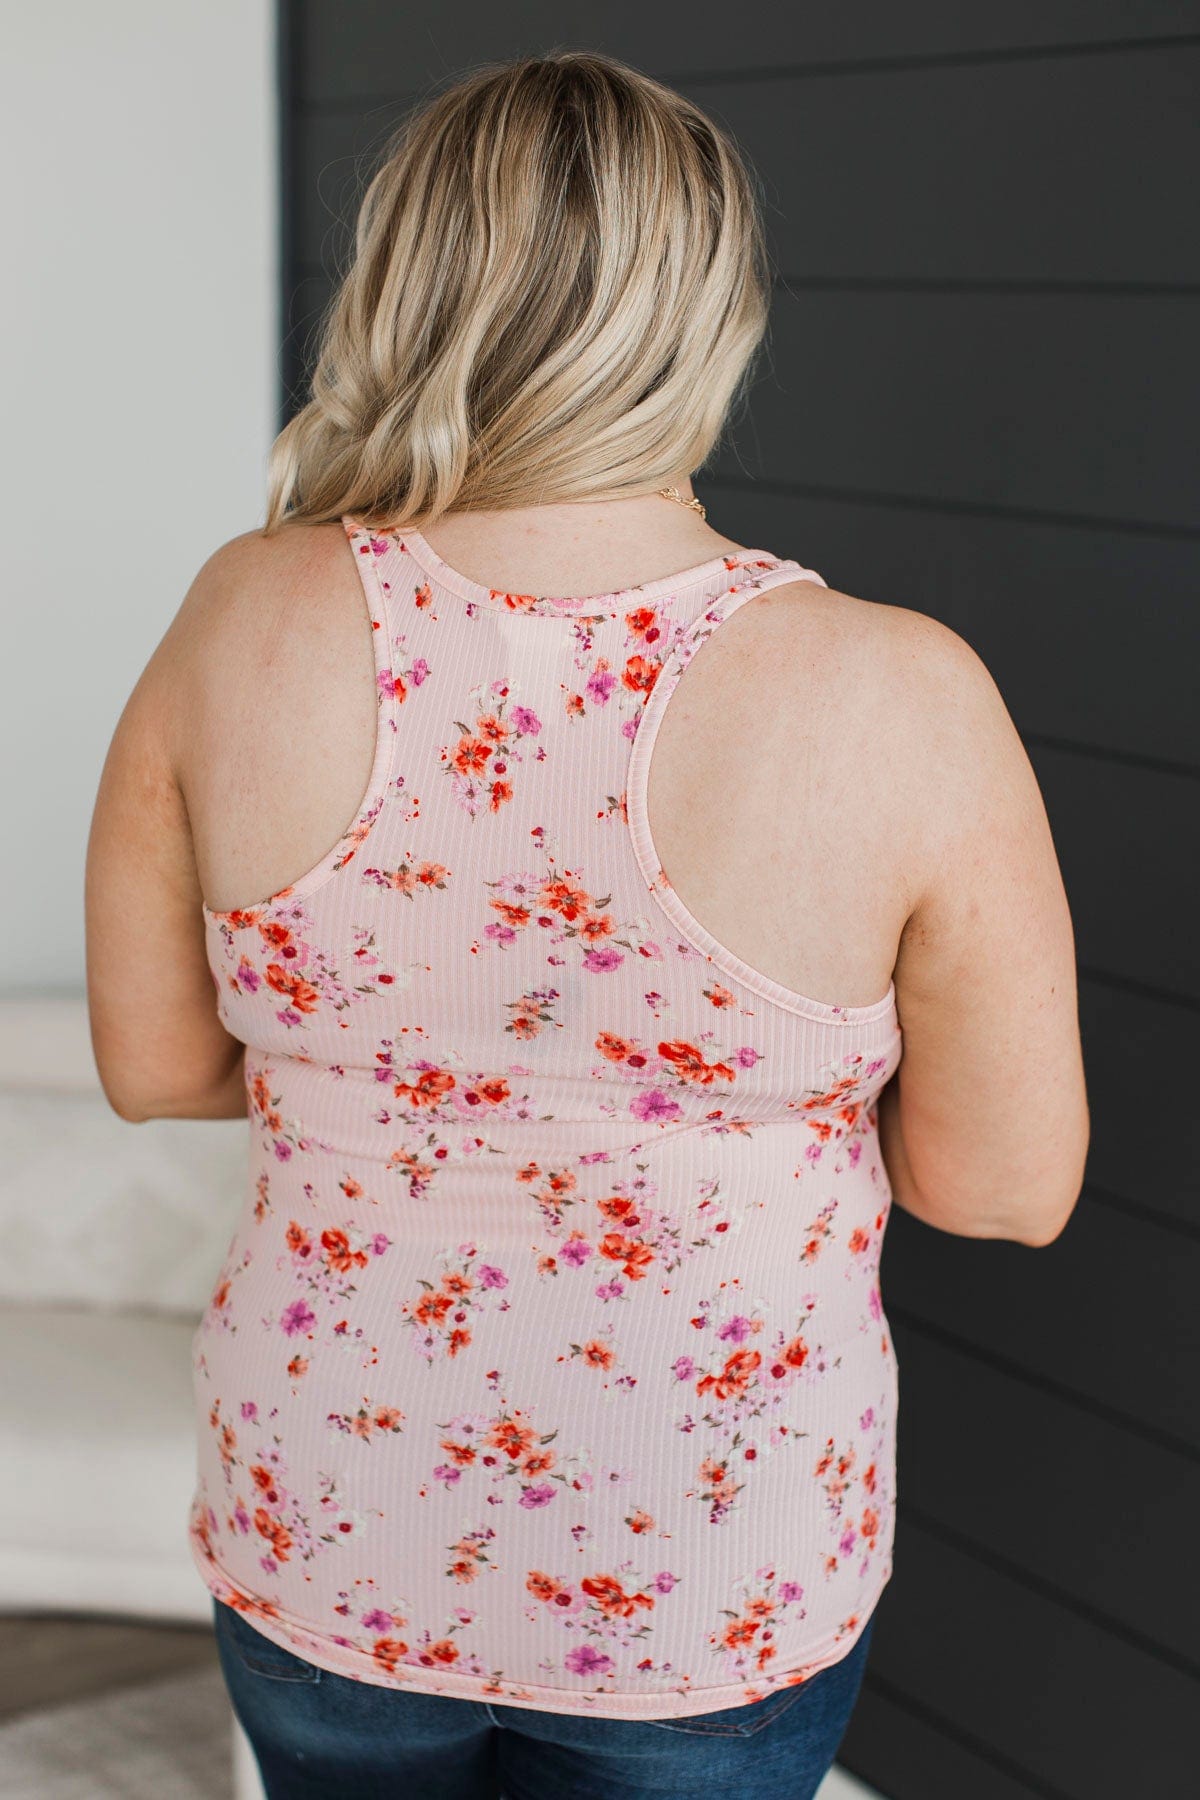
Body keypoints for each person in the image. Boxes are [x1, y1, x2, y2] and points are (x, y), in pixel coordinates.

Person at [84, 47, 1090, 1800]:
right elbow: (1001, 1190)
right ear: (716, 317)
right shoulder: (902, 696)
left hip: (333, 1525)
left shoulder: (242, 616)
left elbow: (159, 1068)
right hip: (709, 1563)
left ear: (399, 285)